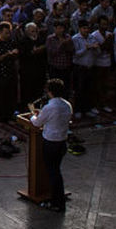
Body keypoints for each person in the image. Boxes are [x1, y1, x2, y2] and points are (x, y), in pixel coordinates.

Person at [30, 78, 73, 213]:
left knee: (53, 172)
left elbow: (37, 123)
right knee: (55, 170)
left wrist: (33, 116)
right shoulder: (67, 105)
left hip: (51, 143)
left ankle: (57, 202)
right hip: (62, 142)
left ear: (50, 92)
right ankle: (55, 196)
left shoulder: (50, 107)